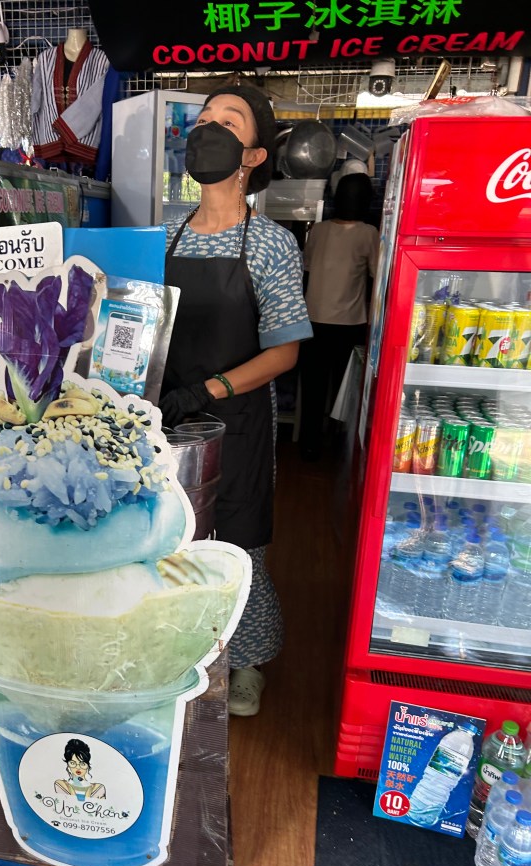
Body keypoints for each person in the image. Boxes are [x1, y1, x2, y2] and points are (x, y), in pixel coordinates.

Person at [159, 82, 312, 717]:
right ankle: (182, 650)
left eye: (229, 121)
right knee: (170, 537)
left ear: (252, 156)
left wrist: (208, 390)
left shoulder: (270, 243)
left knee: (239, 540)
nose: (209, 129)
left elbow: (284, 353)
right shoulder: (164, 236)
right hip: (165, 415)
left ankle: (248, 661)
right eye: (204, 119)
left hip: (237, 417)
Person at [298, 173, 380, 461]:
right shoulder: (369, 234)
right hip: (350, 324)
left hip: (312, 320)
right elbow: (377, 278)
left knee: (313, 387)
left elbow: (307, 273)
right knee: (343, 391)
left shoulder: (318, 231)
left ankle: (309, 444)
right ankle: (338, 445)